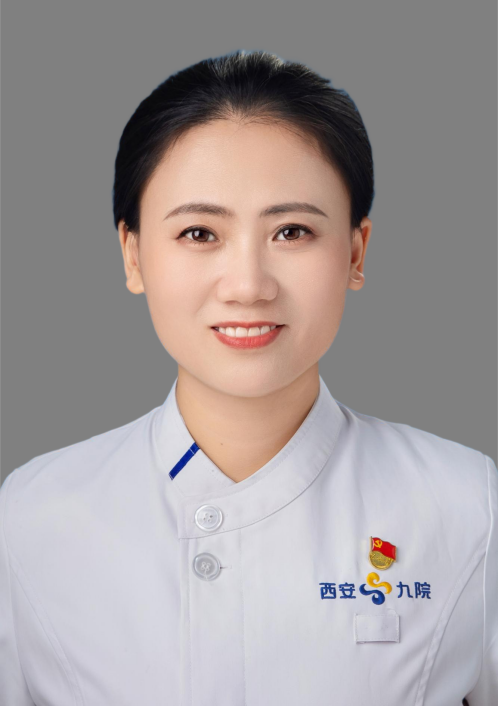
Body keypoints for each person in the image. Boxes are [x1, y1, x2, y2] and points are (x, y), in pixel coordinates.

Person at [0, 50, 495, 706]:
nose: (248, 286)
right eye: (199, 232)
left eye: (291, 231)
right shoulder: (33, 515)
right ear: (133, 254)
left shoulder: (470, 507)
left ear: (355, 251)